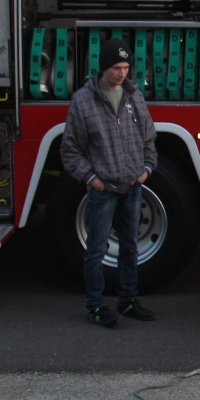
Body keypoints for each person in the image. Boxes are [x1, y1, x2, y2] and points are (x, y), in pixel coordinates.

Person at [60, 37, 158, 327]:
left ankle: (128, 301)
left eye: (126, 67)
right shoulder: (83, 101)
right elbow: (70, 149)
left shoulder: (134, 95)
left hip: (132, 187)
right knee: (96, 250)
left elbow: (149, 137)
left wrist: (146, 171)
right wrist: (92, 180)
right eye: (116, 67)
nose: (122, 73)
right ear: (103, 68)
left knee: (130, 247)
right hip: (103, 191)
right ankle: (96, 306)